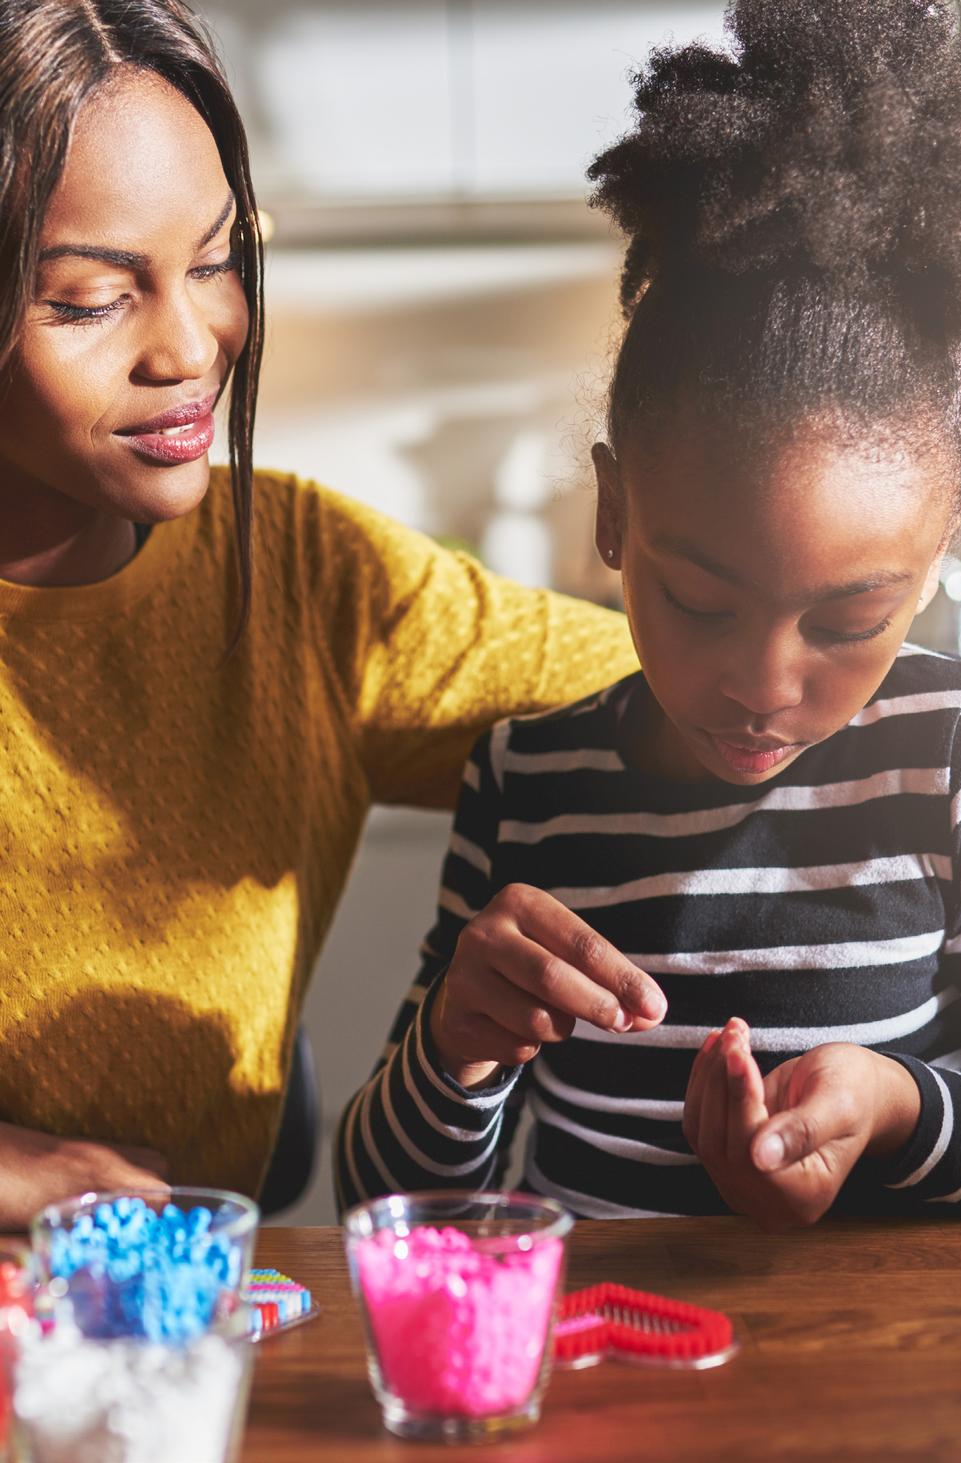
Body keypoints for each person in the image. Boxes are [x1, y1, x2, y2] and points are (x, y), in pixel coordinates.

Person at [338, 0, 961, 1227]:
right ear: (612, 514)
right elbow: (387, 1212)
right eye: (699, 599)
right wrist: (454, 1050)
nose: (762, 682)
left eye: (847, 618)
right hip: (602, 1393)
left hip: (884, 1396)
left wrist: (898, 1107)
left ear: (938, 551)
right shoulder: (528, 777)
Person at [0, 0, 638, 1228]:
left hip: (181, 1343)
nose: (191, 346)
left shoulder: (306, 577)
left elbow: (711, 687)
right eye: (87, 297)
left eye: (216, 259)